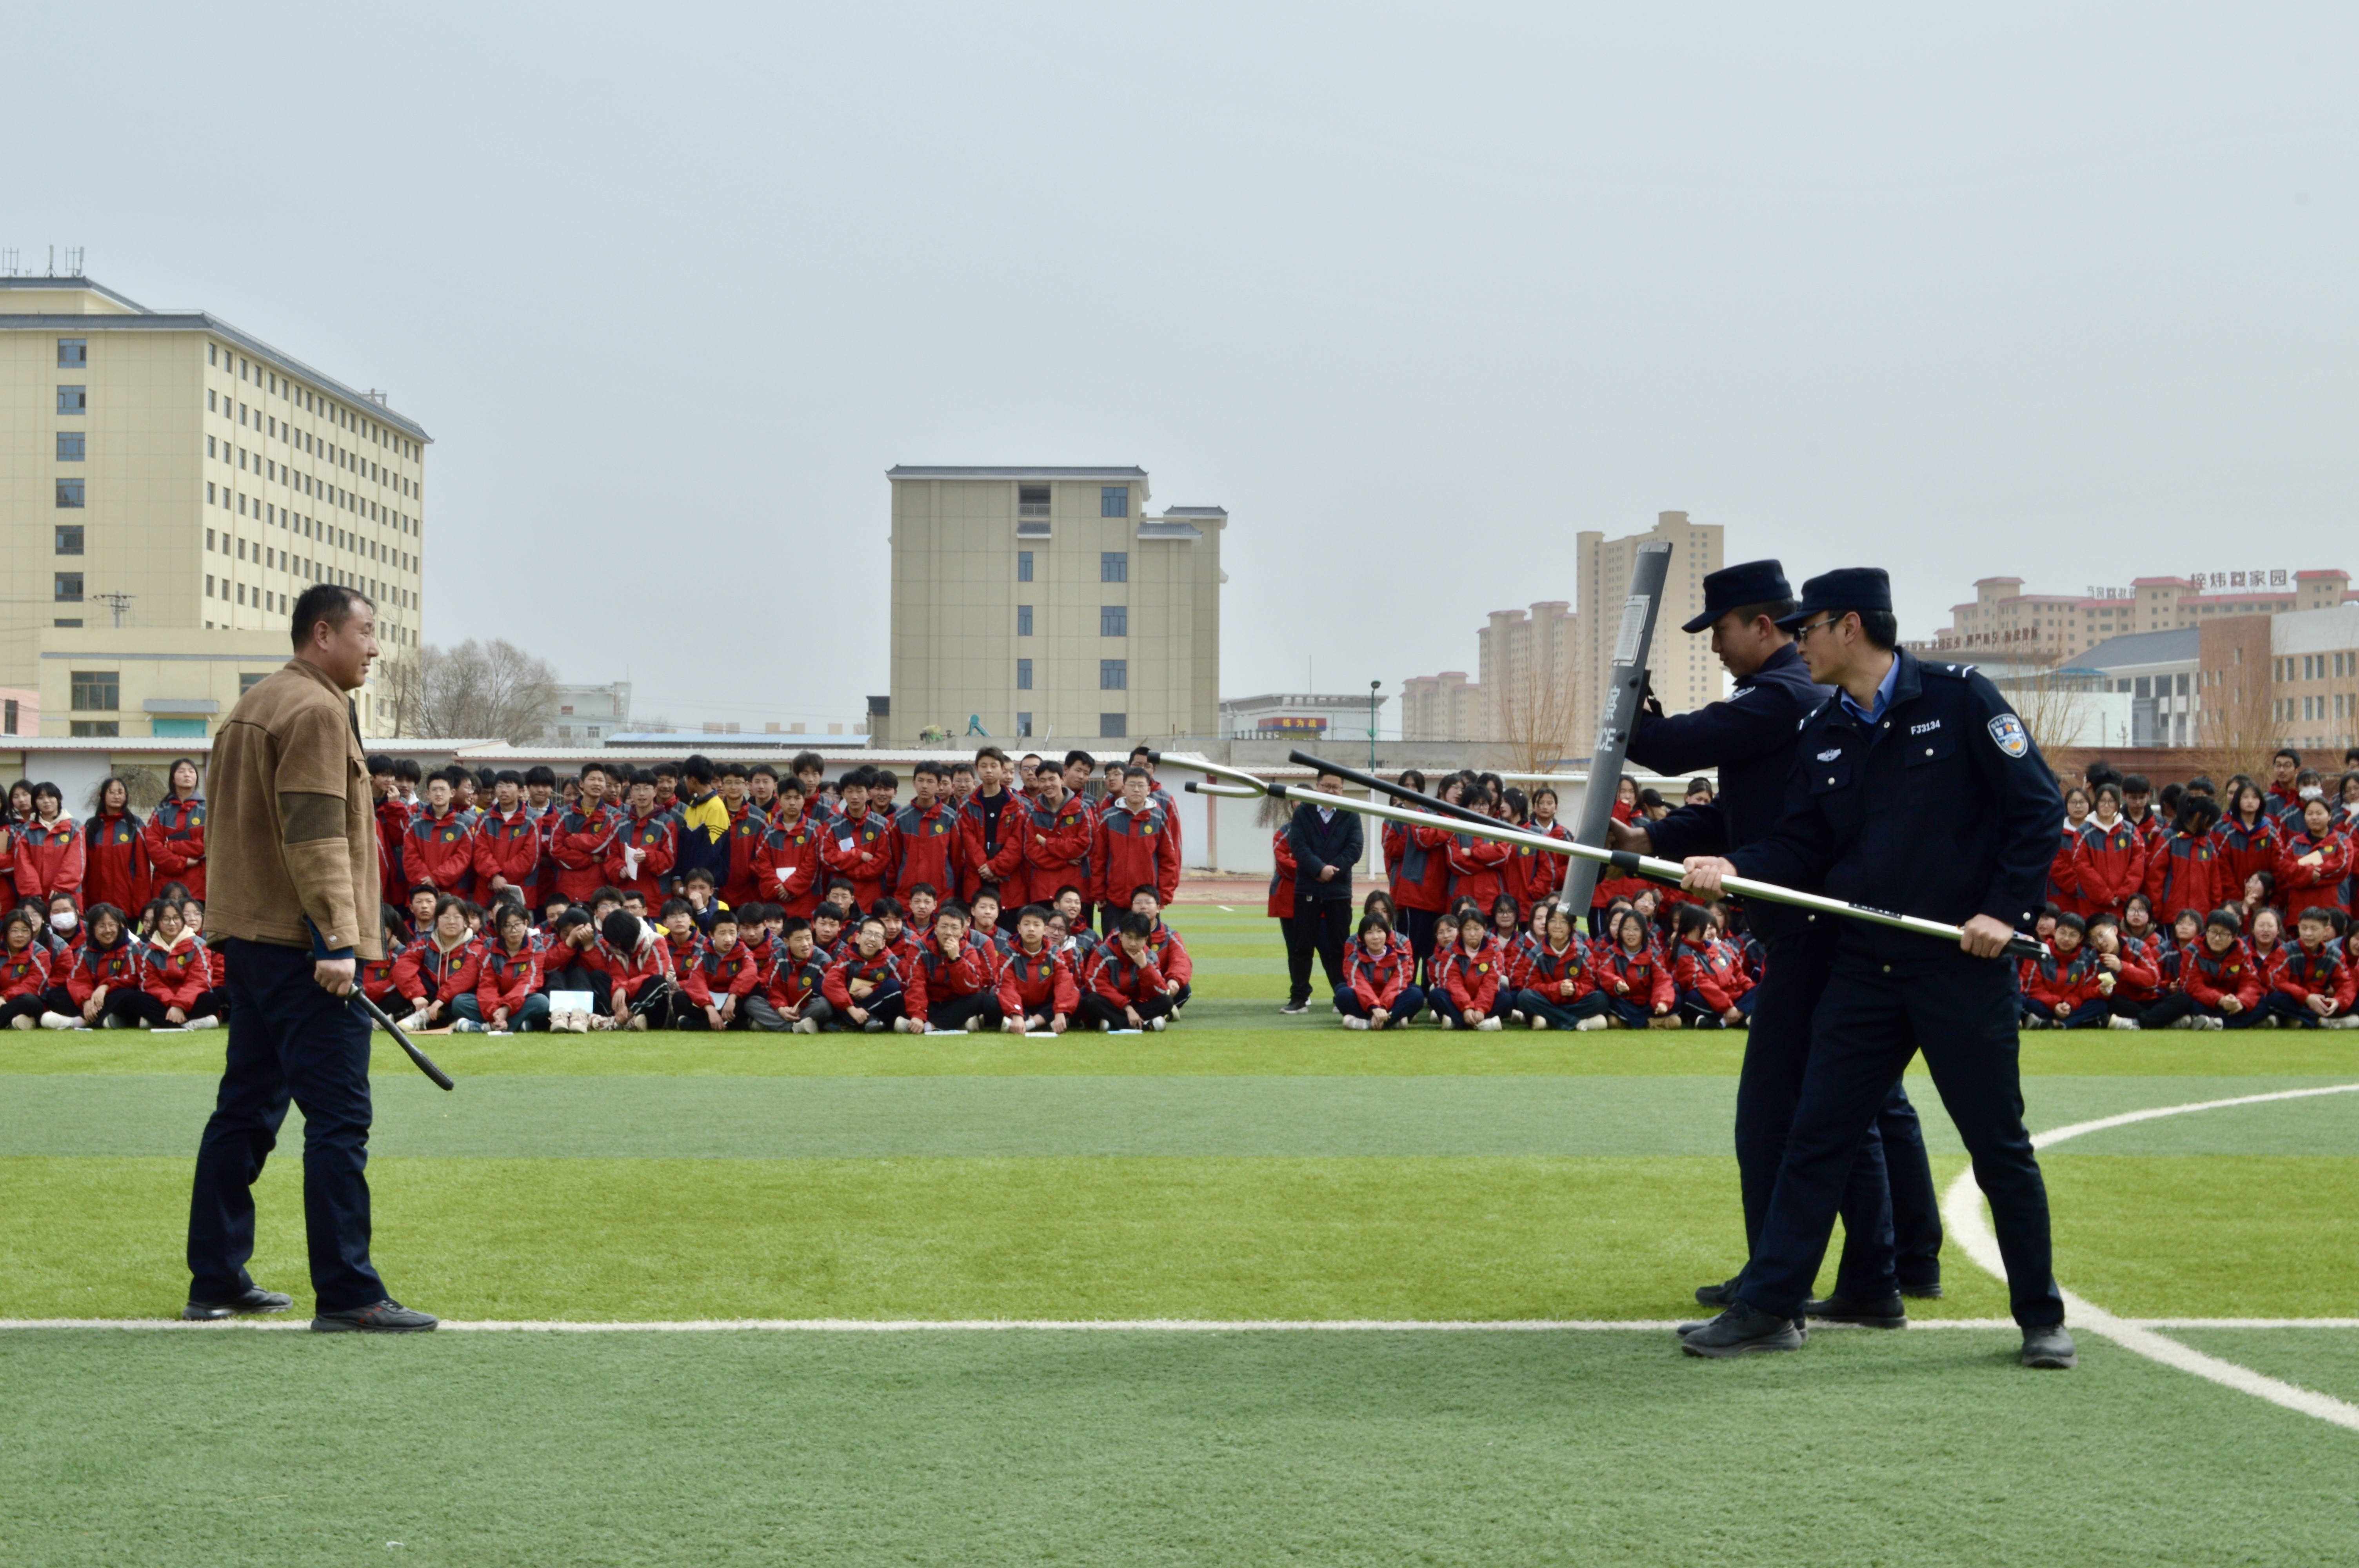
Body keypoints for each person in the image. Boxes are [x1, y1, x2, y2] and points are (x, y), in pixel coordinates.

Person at [1677, 568, 2073, 1370]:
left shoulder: (1962, 700)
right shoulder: (1822, 728)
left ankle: (2039, 1317)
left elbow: (2038, 807)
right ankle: (1769, 1303)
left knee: (1997, 1144)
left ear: (1847, 626)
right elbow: (1800, 845)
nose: (1797, 641)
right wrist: (1730, 862)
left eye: (1807, 627)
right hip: (1864, 966)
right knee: (1816, 1135)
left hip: (1958, 965)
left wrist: (2005, 911)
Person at [1617, 559, 1942, 1318]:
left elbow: (1664, 749)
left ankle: (1786, 1281)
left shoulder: (1781, 694)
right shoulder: (1787, 701)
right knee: (1857, 1107)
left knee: (1778, 1111)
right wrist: (1647, 832)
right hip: (1818, 923)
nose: (1712, 647)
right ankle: (1882, 1275)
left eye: (1719, 631)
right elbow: (1746, 816)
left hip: (1812, 928)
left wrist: (1623, 703)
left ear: (1762, 626)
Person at [186, 584, 433, 1332]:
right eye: (368, 632)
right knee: (339, 1121)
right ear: (323, 634)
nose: (377, 648)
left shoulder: (252, 707)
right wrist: (336, 941)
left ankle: (218, 1279)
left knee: (245, 1113)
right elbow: (317, 836)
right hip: (305, 951)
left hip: (256, 946)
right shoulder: (319, 710)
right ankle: (350, 1293)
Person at [1282, 766, 1362, 1014]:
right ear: (1318, 786)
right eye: (1326, 786)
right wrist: (1319, 869)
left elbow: (1355, 848)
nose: (1331, 791)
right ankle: (1300, 996)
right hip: (1308, 886)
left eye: (1336, 787)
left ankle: (1342, 995)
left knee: (1339, 945)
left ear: (1342, 789)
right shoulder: (1304, 812)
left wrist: (1332, 870)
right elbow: (1298, 845)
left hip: (1338, 890)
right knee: (1302, 944)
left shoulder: (1351, 814)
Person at [1336, 913, 1421, 1029]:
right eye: (1369, 933)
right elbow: (1360, 985)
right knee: (1343, 995)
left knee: (1416, 995)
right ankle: (1392, 1022)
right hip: (1367, 1002)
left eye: (1380, 932)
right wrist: (1375, 1007)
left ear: (1387, 935)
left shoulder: (1401, 958)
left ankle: (1368, 1024)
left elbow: (1396, 985)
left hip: (1390, 1002)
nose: (1375, 937)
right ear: (1362, 938)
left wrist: (1383, 1007)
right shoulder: (1354, 959)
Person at [144, 758, 208, 901]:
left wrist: (173, 846)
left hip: (198, 886)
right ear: (173, 778)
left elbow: (209, 844)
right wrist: (182, 863)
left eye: (192, 771)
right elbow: (154, 847)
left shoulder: (207, 809)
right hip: (165, 886)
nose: (187, 775)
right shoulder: (161, 810)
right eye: (182, 771)